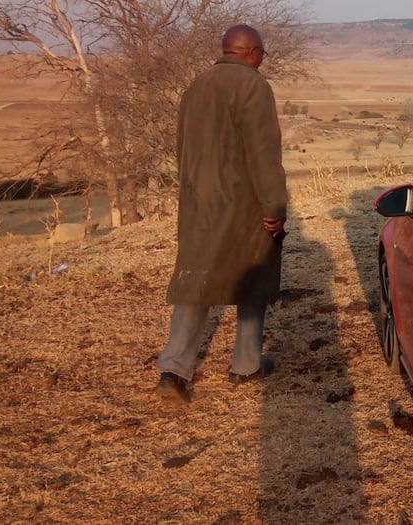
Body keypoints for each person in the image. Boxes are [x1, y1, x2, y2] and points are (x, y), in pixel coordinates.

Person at [156, 24, 288, 404]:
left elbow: (183, 150)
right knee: (255, 273)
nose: (263, 60)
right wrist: (274, 207)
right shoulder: (252, 86)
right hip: (243, 203)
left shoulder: (196, 85)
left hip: (199, 202)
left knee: (194, 280)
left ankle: (174, 369)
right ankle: (246, 365)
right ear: (251, 51)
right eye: (262, 53)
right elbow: (264, 155)